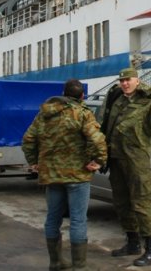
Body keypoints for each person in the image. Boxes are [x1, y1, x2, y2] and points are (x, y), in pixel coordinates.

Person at [22, 79, 107, 271]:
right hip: (77, 175)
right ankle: (79, 266)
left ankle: (56, 261)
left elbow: (28, 139)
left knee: (53, 219)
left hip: (51, 176)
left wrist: (33, 161)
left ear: (63, 93)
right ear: (81, 96)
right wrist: (99, 160)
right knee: (78, 220)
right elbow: (97, 140)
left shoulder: (44, 114)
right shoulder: (83, 114)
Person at [101, 68, 151, 267]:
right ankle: (132, 243)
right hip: (115, 158)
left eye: (128, 80)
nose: (124, 83)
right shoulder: (117, 98)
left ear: (137, 80)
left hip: (136, 160)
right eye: (122, 80)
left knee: (142, 203)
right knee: (122, 202)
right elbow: (105, 124)